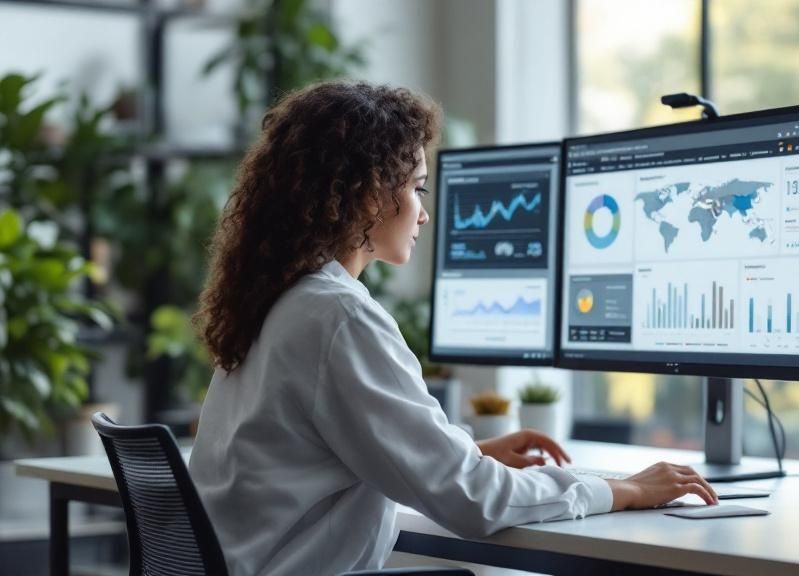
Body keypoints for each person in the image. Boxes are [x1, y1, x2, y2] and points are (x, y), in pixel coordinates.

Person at [190, 80, 717, 576]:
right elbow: (474, 501)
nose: (423, 215)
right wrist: (622, 490)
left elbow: (317, 455)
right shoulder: (338, 317)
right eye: (418, 189)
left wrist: (468, 452)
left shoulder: (278, 304)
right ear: (371, 193)